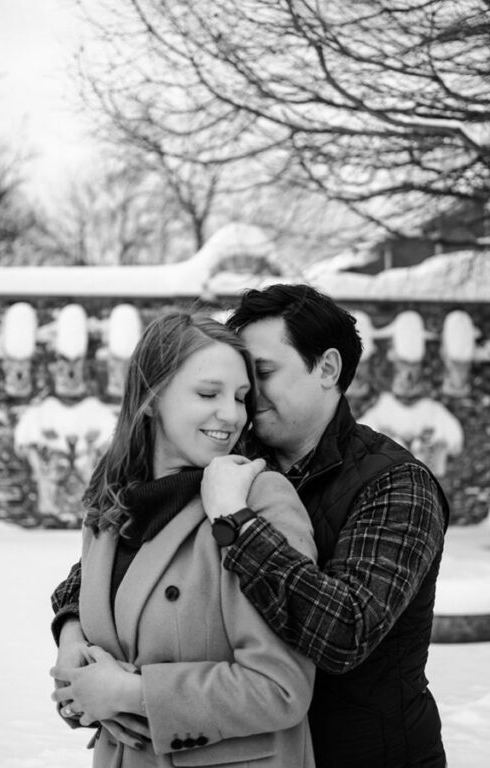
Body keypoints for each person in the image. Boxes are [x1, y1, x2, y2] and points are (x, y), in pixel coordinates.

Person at [52, 285, 449, 768]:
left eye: (258, 376)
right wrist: (73, 634)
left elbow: (345, 632)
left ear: (327, 368)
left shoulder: (394, 484)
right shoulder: (226, 463)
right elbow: (117, 569)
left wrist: (235, 522)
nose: (242, 404)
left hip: (368, 755)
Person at [50, 312, 318, 767]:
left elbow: (282, 687)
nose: (232, 415)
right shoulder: (110, 508)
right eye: (208, 393)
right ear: (151, 397)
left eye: (240, 396)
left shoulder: (256, 498)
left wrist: (131, 692)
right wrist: (75, 661)